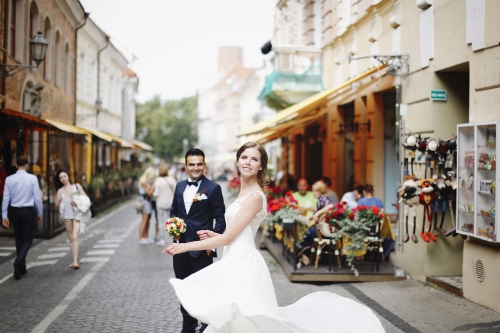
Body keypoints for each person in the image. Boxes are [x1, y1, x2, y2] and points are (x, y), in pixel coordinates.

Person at [164, 142, 384, 333]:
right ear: (238, 161)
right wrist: (215, 234)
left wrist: (184, 246)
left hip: (243, 264)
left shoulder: (254, 197)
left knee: (245, 319)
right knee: (236, 321)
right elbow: (237, 232)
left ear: (261, 165)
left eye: (254, 159)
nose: (248, 162)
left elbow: (229, 239)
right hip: (234, 259)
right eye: (244, 157)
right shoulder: (243, 192)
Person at [167, 148, 226, 333]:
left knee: (203, 292)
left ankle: (206, 327)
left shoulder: (213, 188)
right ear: (185, 166)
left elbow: (221, 219)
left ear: (204, 165)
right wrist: (174, 232)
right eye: (191, 164)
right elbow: (174, 213)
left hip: (202, 250)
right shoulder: (179, 187)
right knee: (184, 291)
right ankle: (188, 328)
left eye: (199, 164)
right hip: (181, 249)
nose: (195, 168)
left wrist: (212, 243)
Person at [1, 156, 43, 280]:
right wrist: (39, 212)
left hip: (14, 211)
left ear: (16, 165)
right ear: (27, 165)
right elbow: (37, 197)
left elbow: (5, 198)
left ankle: (20, 268)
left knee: (19, 238)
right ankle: (19, 261)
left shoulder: (9, 179)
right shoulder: (32, 178)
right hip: (27, 211)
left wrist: (4, 215)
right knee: (28, 238)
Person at [56, 170, 87, 269]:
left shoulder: (76, 186)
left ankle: (75, 261)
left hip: (77, 214)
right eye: (61, 177)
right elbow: (56, 207)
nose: (63, 179)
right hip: (67, 215)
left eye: (64, 176)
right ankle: (74, 260)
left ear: (68, 176)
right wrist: (58, 201)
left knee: (74, 237)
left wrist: (77, 202)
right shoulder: (60, 191)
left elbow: (85, 198)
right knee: (70, 238)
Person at [152, 164, 176, 246]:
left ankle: (161, 240)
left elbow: (156, 194)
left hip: (160, 203)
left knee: (160, 221)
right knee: (171, 222)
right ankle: (172, 239)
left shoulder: (158, 180)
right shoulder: (171, 179)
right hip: (170, 203)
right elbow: (176, 190)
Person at [138, 167, 156, 244]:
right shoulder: (144, 182)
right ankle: (141, 238)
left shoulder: (145, 181)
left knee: (147, 220)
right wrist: (152, 186)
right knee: (144, 220)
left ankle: (146, 236)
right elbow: (149, 193)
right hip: (145, 201)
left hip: (147, 201)